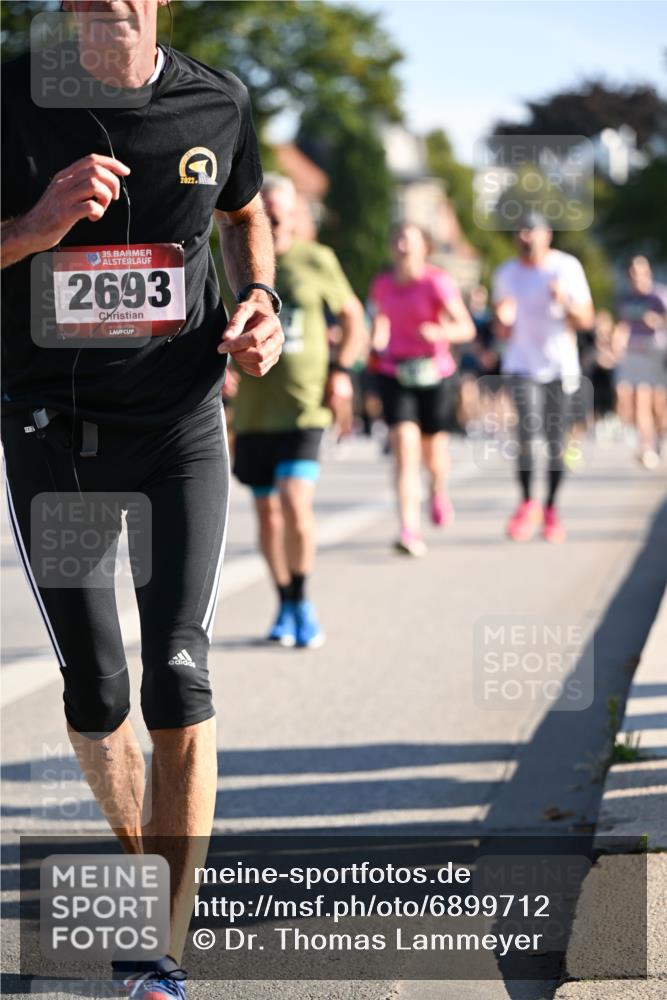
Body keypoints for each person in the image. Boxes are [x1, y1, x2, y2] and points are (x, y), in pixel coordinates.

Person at [1, 2, 283, 996]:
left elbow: (248, 219)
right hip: (52, 430)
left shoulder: (217, 99)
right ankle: (141, 875)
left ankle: (158, 944)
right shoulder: (13, 93)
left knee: (177, 670)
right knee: (100, 688)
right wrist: (35, 227)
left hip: (177, 426)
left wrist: (262, 306)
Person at [231, 174, 365, 648]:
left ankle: (303, 600)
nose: (276, 213)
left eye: (282, 205)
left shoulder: (316, 259)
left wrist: (343, 370)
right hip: (251, 412)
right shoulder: (233, 261)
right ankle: (284, 600)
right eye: (266, 206)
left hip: (306, 408)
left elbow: (352, 316)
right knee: (267, 513)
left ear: (295, 213)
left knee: (294, 501)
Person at [369, 223, 475, 556]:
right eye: (397, 239)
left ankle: (439, 491)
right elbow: (380, 320)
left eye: (409, 240)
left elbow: (466, 328)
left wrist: (440, 332)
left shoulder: (436, 282)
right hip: (395, 370)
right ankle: (408, 529)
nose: (402, 245)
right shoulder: (383, 284)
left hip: (434, 372)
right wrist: (376, 340)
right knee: (404, 448)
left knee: (434, 453)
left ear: (424, 248)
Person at [492, 213, 594, 543]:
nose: (525, 237)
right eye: (519, 232)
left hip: (559, 367)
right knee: (525, 431)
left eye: (531, 231)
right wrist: (502, 320)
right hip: (521, 364)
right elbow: (501, 329)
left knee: (555, 442)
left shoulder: (566, 268)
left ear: (546, 235)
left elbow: (586, 319)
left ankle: (551, 509)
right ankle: (526, 503)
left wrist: (564, 301)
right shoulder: (506, 274)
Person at [615, 255, 667, 469]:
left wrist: (656, 321)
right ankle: (645, 446)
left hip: (656, 350)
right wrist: (617, 342)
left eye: (640, 272)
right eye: (633, 273)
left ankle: (661, 437)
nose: (636, 277)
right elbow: (623, 324)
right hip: (634, 350)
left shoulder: (658, 295)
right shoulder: (625, 298)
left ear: (648, 273)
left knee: (658, 402)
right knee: (639, 398)